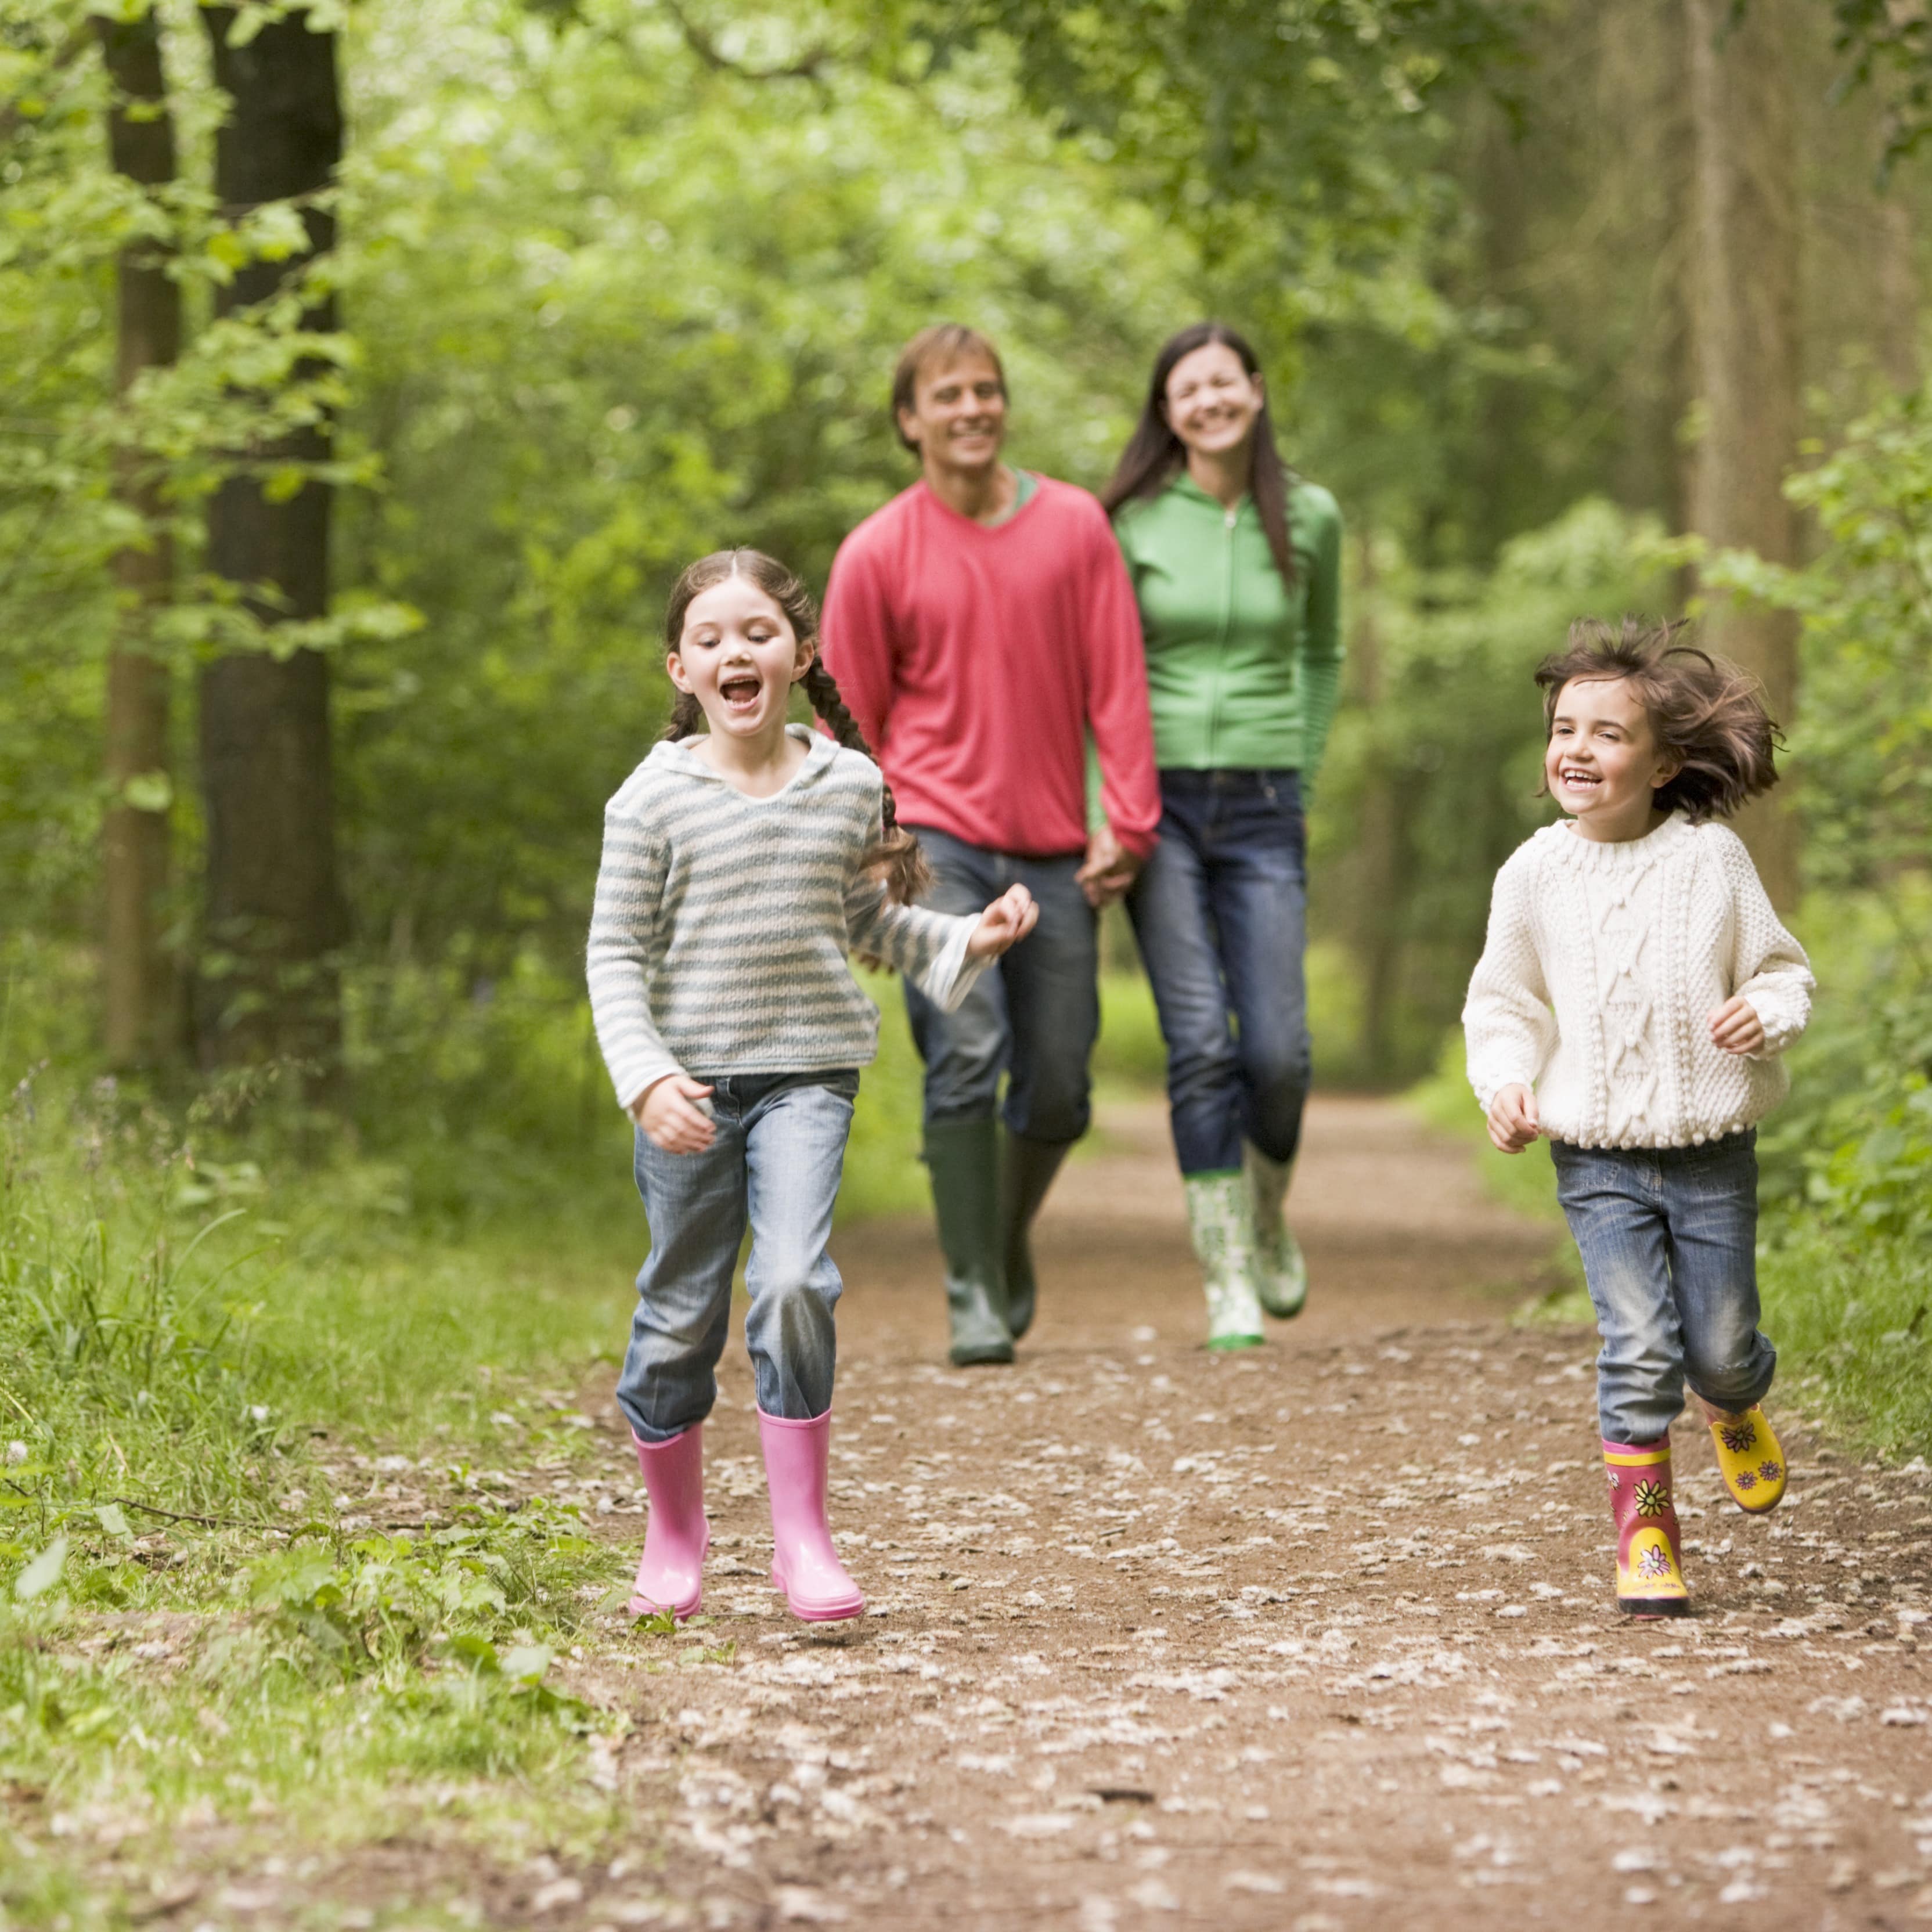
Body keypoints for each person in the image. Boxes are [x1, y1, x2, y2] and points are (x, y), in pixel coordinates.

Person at [586, 549, 1037, 1623]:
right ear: (679, 670)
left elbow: (866, 922)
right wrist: (646, 1079)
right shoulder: (650, 800)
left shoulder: (846, 782)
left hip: (807, 1076)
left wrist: (968, 938)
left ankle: (802, 1540)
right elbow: (613, 955)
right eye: (710, 639)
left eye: (757, 632)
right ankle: (675, 1534)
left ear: (796, 654)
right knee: (679, 1317)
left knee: (792, 1282)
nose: (735, 652)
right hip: (688, 1090)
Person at [820, 325, 1161, 1367]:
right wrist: (873, 858)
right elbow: (847, 724)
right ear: (910, 421)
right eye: (948, 395)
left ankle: (999, 1241)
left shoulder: (1074, 527)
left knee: (1059, 1081)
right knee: (968, 1051)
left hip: (1056, 846)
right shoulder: (878, 551)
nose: (972, 408)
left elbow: (1118, 680)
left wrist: (1128, 821)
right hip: (937, 846)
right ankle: (971, 1288)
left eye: (987, 391)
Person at [1463, 618, 1813, 1618]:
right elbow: (1505, 1003)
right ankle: (1646, 1532)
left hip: (1711, 1154)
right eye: (1564, 727)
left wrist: (1767, 1014)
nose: (1577, 748)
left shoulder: (1711, 862)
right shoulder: (1534, 875)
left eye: (1608, 733)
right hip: (1596, 1157)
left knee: (1719, 1349)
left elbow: (1783, 969)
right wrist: (1506, 1082)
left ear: (1663, 765)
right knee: (1639, 1344)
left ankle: (1736, 1401)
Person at [1103, 323, 1343, 1349]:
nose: (1207, 400)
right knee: (1200, 1042)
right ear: (1166, 412)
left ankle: (1268, 1210)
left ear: (1254, 389)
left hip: (1263, 802)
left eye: (1223, 382)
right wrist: (1106, 809)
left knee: (1279, 1051)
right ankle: (1227, 1279)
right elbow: (1101, 673)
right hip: (1157, 804)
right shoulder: (1134, 523)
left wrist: (1303, 762)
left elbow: (1323, 653)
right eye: (1185, 389)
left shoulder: (1315, 516)